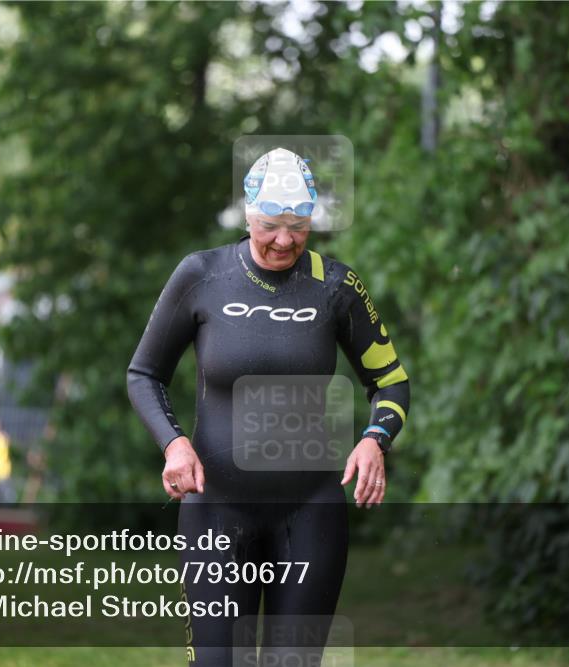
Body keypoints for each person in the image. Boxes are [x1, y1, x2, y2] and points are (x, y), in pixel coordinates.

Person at [127, 147, 410, 665]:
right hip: (216, 508)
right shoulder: (201, 276)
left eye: (299, 225)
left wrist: (375, 440)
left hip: (309, 514)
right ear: (248, 214)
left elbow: (391, 381)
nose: (285, 239)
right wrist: (174, 444)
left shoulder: (336, 287)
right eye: (272, 224)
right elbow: (144, 374)